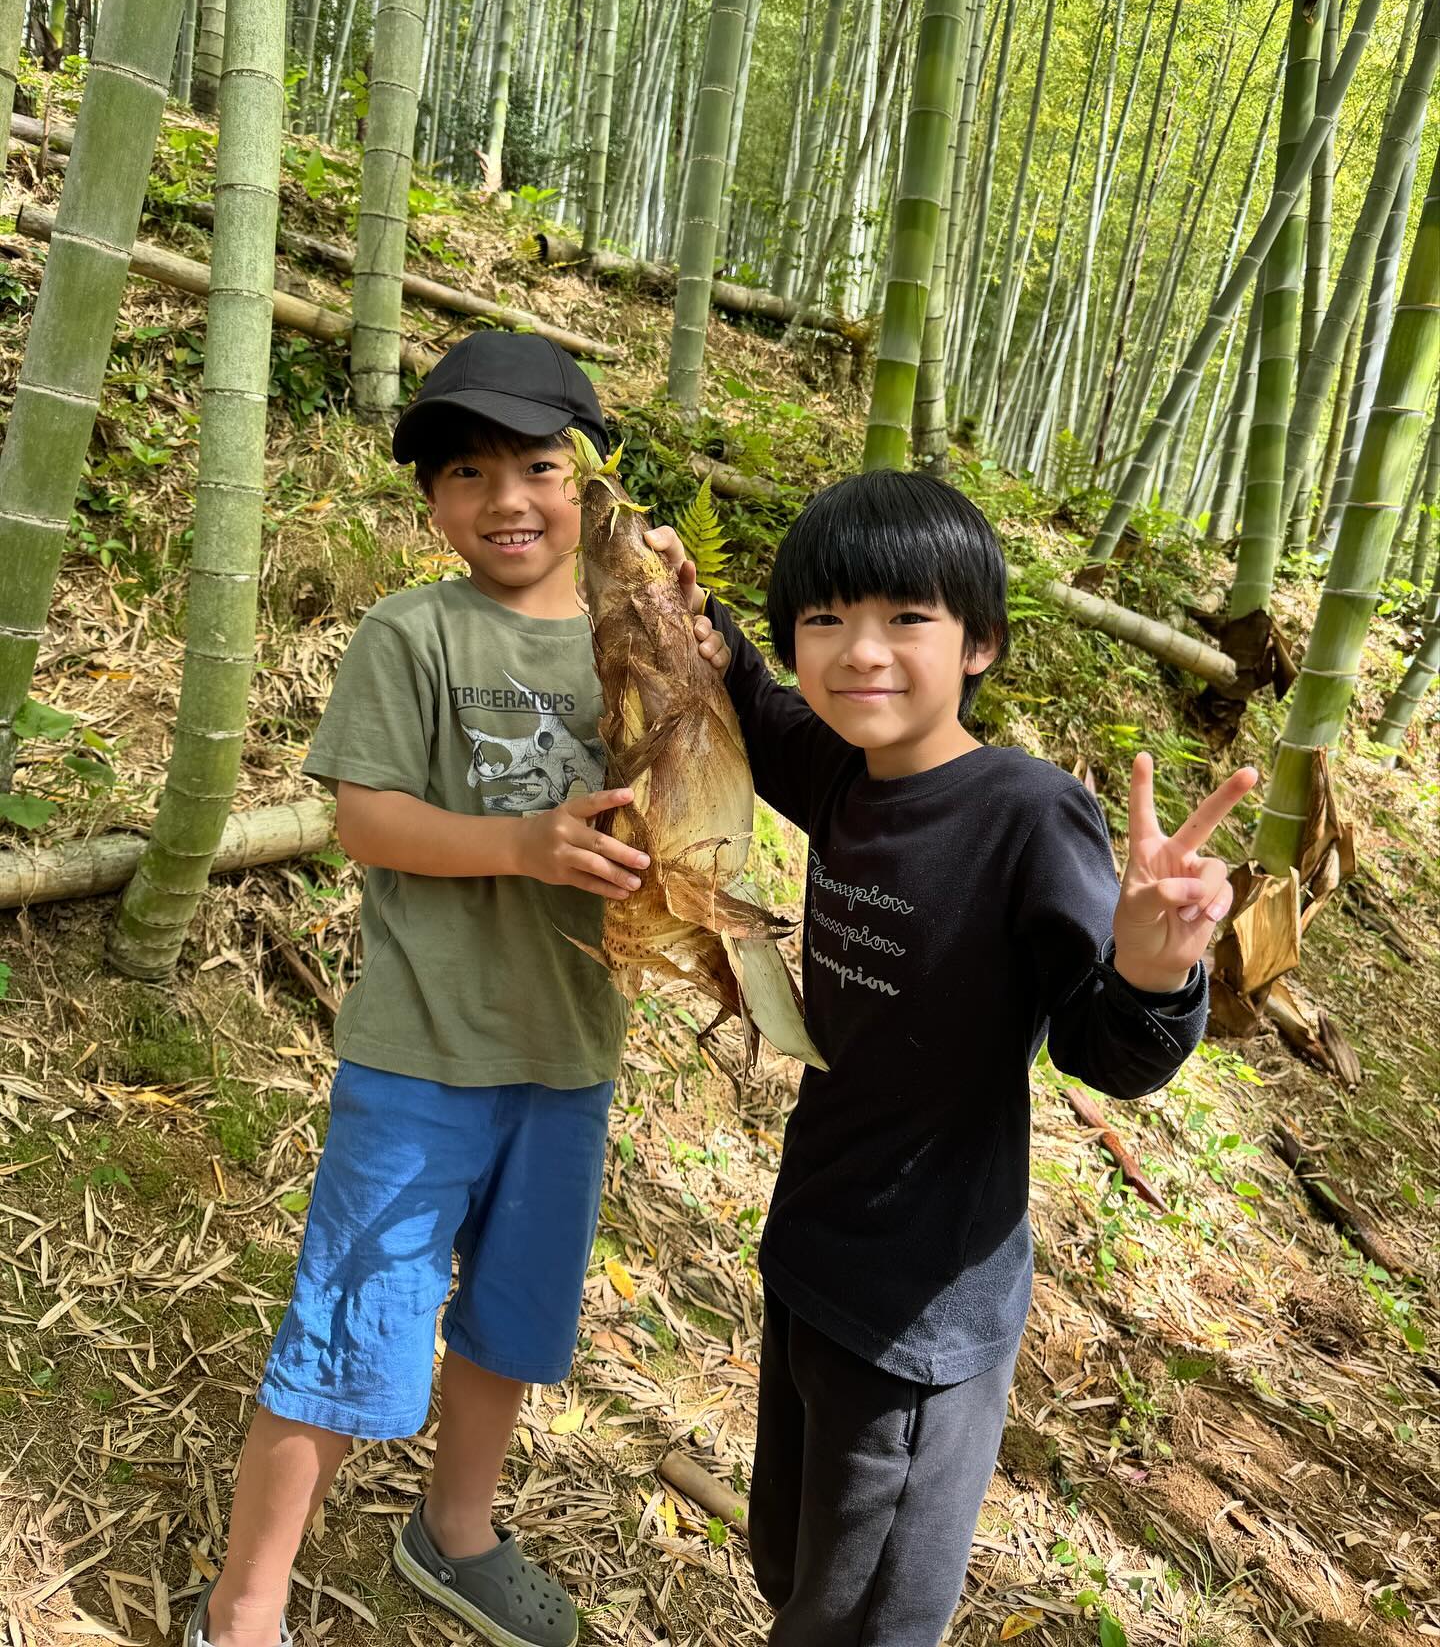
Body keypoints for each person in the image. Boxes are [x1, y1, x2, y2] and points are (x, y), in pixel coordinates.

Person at [645, 470, 1256, 1647]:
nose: (860, 652)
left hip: (920, 1317)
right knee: (789, 1564)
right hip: (814, 1251)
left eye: (905, 619)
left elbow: (1107, 1052)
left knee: (863, 1620)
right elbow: (757, 706)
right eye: (827, 619)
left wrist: (1150, 964)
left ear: (979, 643)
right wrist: (685, 604)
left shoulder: (1026, 817)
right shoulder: (840, 776)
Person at [189, 335, 665, 1647]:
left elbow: (695, 798)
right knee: (352, 1326)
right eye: (469, 471)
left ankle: (453, 1534)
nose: (507, 497)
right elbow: (365, 818)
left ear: (591, 482)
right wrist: (523, 841)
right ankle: (247, 1603)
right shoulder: (416, 633)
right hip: (422, 1051)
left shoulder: (641, 643)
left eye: (538, 465)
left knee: (511, 1325)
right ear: (434, 503)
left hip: (570, 1052)